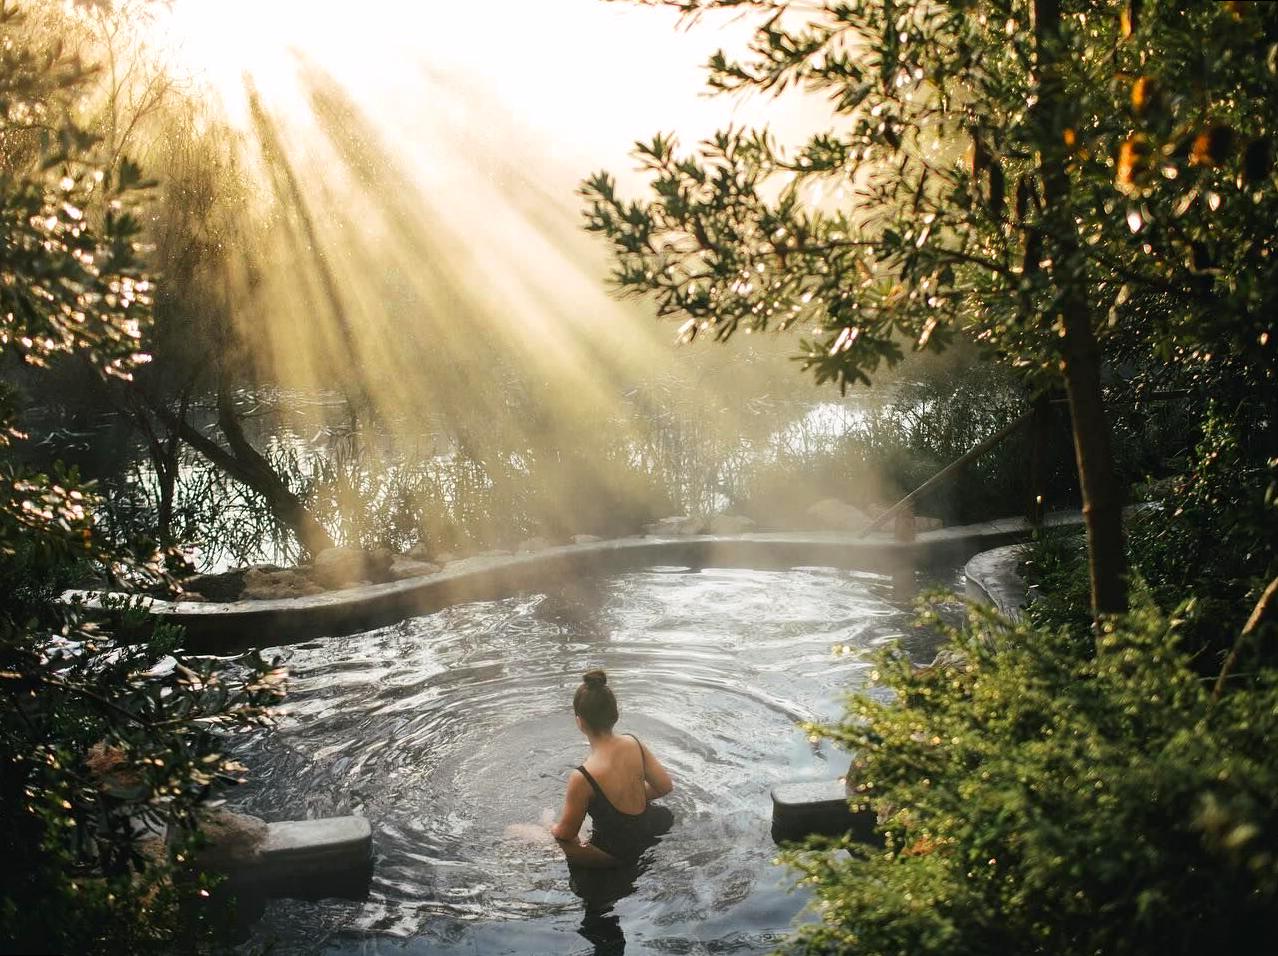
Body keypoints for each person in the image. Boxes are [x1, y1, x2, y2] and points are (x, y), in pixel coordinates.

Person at [549, 669, 674, 869]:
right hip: (649, 829)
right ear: (615, 714)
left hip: (615, 853)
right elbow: (664, 786)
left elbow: (566, 835)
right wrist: (630, 798)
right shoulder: (634, 743)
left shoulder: (582, 777)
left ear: (579, 721)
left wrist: (550, 827)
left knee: (522, 832)